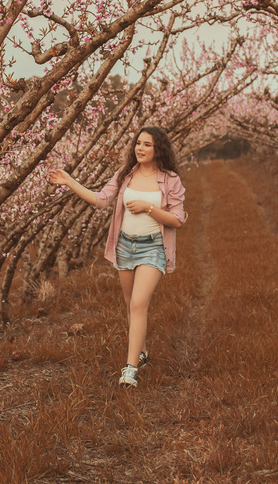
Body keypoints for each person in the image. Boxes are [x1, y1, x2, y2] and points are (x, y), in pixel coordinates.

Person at [48, 126, 186, 388]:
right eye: (138, 143)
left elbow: (177, 220)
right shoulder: (125, 175)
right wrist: (70, 182)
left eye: (147, 144)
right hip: (125, 246)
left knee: (138, 303)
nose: (140, 148)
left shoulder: (170, 180)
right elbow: (101, 200)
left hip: (153, 248)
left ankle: (130, 369)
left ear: (159, 149)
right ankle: (142, 353)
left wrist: (149, 208)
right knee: (129, 303)